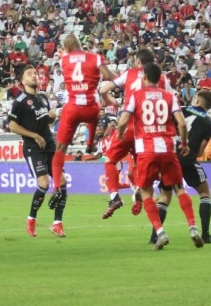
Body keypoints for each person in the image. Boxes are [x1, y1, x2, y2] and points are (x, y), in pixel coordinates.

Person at [116, 63, 201, 250]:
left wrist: (121, 134)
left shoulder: (136, 96)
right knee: (179, 188)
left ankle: (160, 232)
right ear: (160, 79)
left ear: (144, 77)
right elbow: (182, 124)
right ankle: (193, 228)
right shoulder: (170, 96)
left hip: (146, 151)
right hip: (168, 149)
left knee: (146, 191)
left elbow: (123, 121)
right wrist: (184, 144)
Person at [98, 48, 172, 218]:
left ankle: (114, 196)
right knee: (140, 167)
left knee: (110, 158)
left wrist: (113, 102)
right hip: (150, 130)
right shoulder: (162, 78)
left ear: (138, 61)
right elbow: (171, 101)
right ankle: (142, 193)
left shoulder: (129, 73)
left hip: (129, 124)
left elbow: (103, 90)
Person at [50, 34, 115, 204]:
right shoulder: (95, 58)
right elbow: (108, 75)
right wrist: (120, 77)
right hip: (91, 108)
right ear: (81, 44)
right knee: (94, 113)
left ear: (68, 48)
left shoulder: (64, 59)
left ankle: (57, 185)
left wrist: (65, 52)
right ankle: (90, 143)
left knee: (60, 148)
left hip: (72, 108)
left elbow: (65, 53)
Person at [151, 89, 211, 245]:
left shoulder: (182, 110)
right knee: (204, 192)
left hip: (170, 157)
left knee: (165, 196)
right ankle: (206, 234)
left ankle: (155, 235)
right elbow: (201, 150)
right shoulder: (209, 124)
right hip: (188, 159)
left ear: (198, 101)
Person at [8, 65, 65, 237]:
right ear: (23, 81)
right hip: (34, 148)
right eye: (30, 74)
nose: (34, 76)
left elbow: (43, 122)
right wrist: (34, 136)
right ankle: (31, 219)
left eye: (35, 73)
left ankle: (57, 223)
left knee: (62, 182)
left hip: (49, 144)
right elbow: (12, 126)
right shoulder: (20, 101)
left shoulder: (42, 97)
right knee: (44, 184)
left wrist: (51, 118)